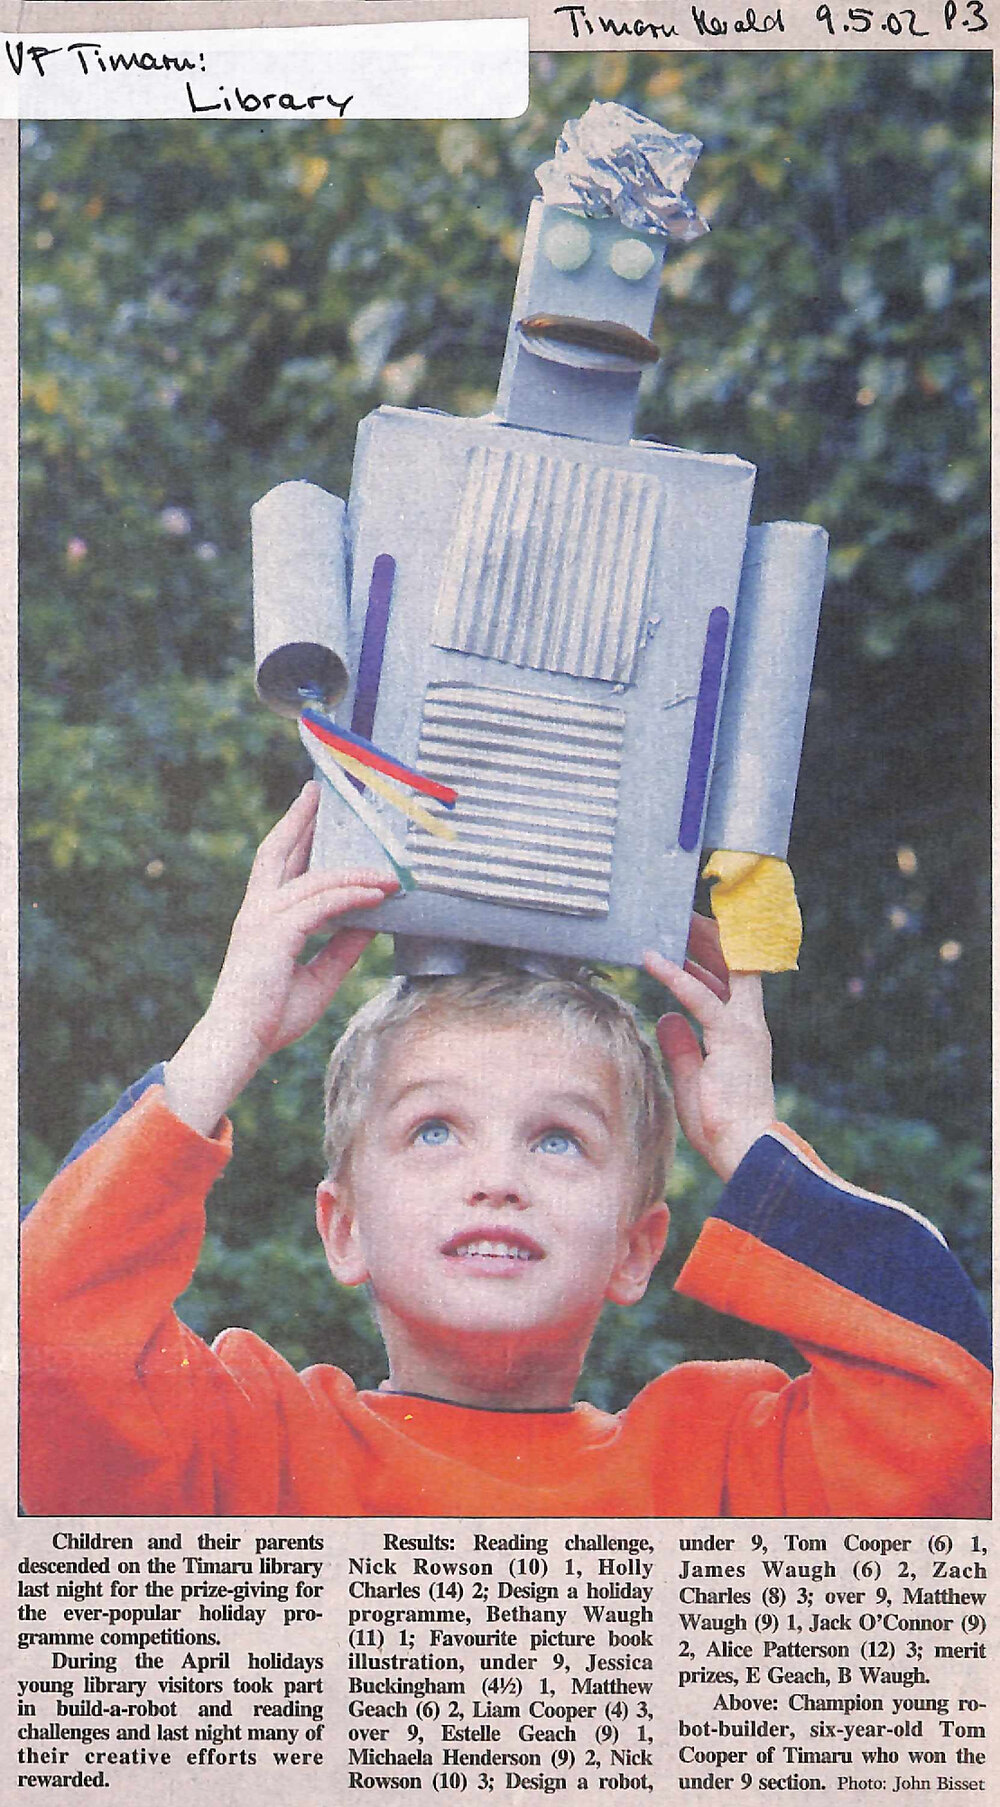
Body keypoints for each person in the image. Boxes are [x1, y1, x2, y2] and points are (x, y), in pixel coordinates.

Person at [20, 783, 990, 1516]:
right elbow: (45, 1338)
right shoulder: (250, 1448)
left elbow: (954, 1424)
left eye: (558, 1139)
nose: (497, 1181)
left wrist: (748, 1135)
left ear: (634, 1248)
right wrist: (228, 1037)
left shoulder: (724, 1466)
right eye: (434, 1130)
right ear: (343, 1227)